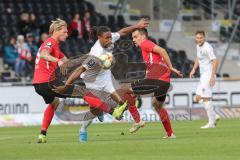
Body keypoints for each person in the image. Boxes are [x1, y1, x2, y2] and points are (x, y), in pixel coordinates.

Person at [53, 19, 149, 142]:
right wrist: (67, 85)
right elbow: (80, 70)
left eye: (110, 37)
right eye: (107, 38)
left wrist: (137, 25)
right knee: (94, 111)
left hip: (107, 78)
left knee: (122, 100)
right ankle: (83, 129)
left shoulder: (109, 38)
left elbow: (122, 32)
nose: (110, 40)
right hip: (93, 82)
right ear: (99, 38)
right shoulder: (95, 54)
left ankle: (130, 116)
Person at [131, 28, 182, 138]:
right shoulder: (147, 53)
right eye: (132, 38)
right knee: (157, 105)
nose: (133, 40)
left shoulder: (145, 43)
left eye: (135, 37)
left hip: (156, 80)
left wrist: (171, 67)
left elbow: (162, 50)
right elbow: (149, 70)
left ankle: (137, 120)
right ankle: (170, 133)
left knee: (126, 90)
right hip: (164, 83)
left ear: (143, 36)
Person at [189, 30, 220, 129]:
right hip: (203, 76)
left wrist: (212, 76)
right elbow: (198, 58)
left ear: (204, 37)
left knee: (206, 98)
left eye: (201, 38)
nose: (199, 39)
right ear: (195, 38)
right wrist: (193, 69)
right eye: (197, 38)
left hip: (208, 75)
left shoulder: (207, 47)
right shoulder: (198, 46)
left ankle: (211, 123)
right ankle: (214, 115)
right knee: (198, 98)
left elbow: (215, 61)